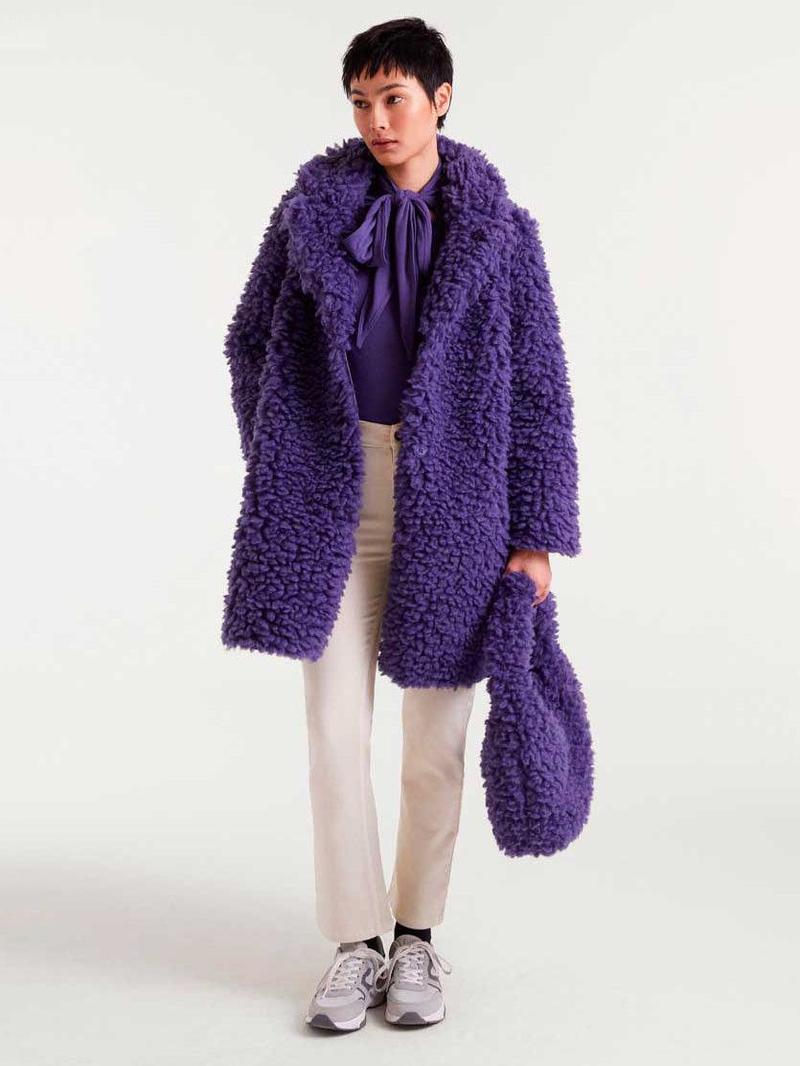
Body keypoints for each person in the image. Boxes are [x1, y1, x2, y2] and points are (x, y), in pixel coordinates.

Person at [221, 17, 581, 1033]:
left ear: (440, 99)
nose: (376, 120)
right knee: (335, 732)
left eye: (394, 99)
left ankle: (417, 934)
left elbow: (541, 388)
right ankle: (354, 944)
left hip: (456, 503)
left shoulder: (502, 234)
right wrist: (283, 451)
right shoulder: (308, 215)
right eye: (360, 102)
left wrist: (535, 534)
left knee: (435, 740)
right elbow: (248, 342)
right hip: (333, 495)